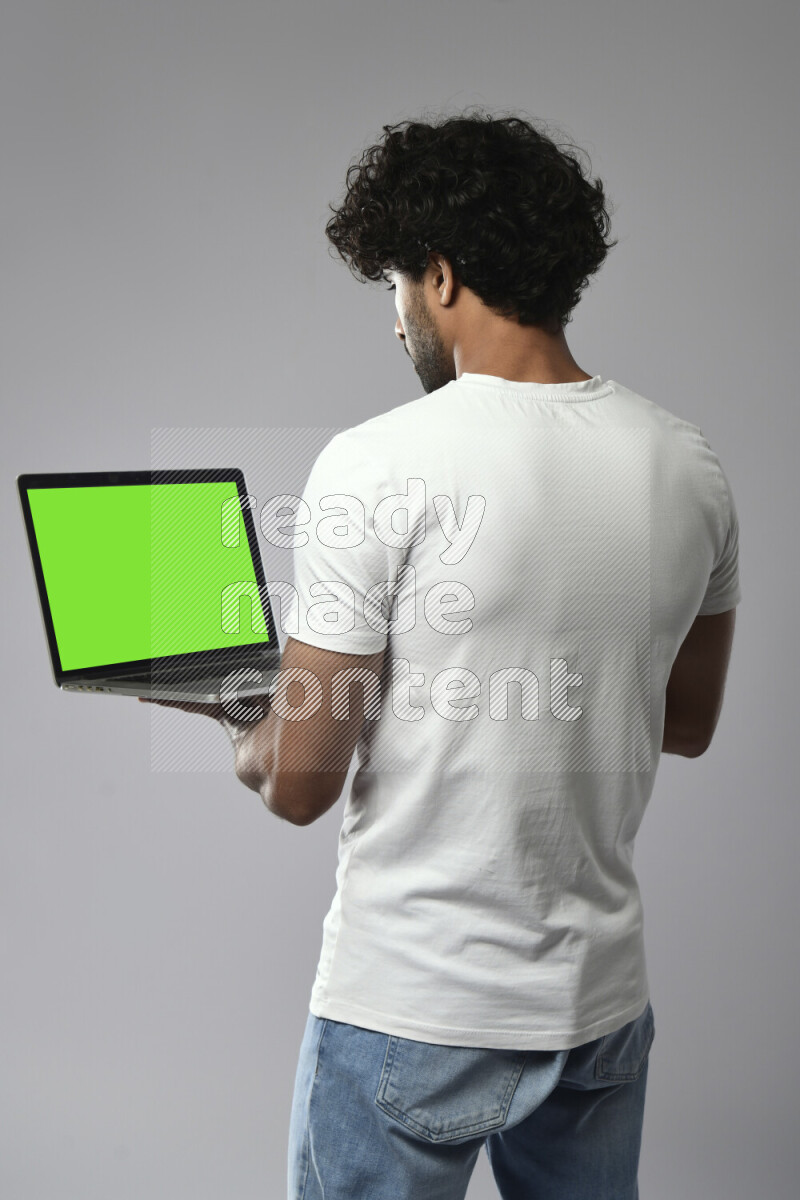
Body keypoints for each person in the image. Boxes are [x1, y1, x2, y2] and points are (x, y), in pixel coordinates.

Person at [143, 109, 741, 1199]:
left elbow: (297, 788)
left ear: (443, 274)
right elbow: (686, 721)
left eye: (394, 287)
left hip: (411, 1012)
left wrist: (252, 726)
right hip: (598, 1013)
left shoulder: (378, 461)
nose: (397, 320)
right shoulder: (687, 464)